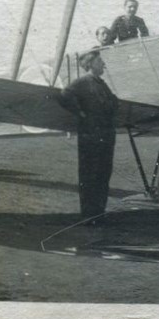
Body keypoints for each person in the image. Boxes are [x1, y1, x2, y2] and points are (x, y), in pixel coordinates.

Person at [58, 51, 119, 220]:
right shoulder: (82, 82)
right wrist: (80, 113)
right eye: (100, 61)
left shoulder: (101, 83)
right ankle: (89, 215)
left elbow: (114, 103)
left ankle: (99, 212)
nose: (104, 64)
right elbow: (64, 96)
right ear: (91, 64)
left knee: (103, 174)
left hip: (105, 135)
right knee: (89, 174)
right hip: (90, 135)